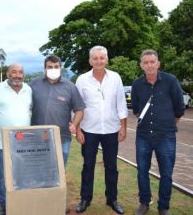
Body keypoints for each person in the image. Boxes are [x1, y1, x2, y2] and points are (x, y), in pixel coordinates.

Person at [75, 46, 128, 214]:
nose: (99, 61)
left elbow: (121, 103)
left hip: (111, 130)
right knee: (88, 165)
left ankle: (112, 199)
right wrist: (78, 130)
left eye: (102, 58)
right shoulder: (82, 79)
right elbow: (77, 106)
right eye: (95, 58)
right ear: (90, 61)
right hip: (89, 130)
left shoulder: (116, 78)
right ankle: (85, 198)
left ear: (107, 59)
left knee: (111, 166)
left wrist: (123, 127)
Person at [131, 50, 185, 215]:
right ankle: (144, 202)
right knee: (141, 171)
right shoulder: (137, 84)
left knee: (166, 173)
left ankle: (163, 206)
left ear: (158, 63)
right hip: (143, 136)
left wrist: (166, 124)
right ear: (141, 65)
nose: (149, 65)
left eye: (152, 61)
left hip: (166, 136)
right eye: (145, 62)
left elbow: (179, 108)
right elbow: (136, 109)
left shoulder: (170, 80)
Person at [0, 63, 32, 215]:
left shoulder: (29, 89)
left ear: (23, 75)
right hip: (2, 143)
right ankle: (5, 207)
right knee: (4, 178)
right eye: (13, 72)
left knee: (22, 176)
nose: (17, 75)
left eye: (20, 72)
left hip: (25, 143)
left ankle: (20, 205)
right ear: (8, 74)